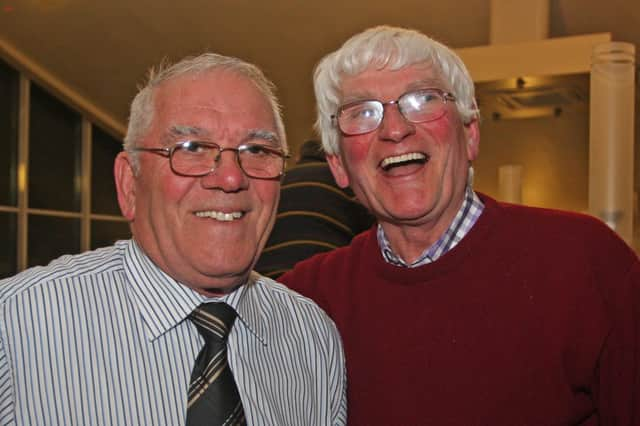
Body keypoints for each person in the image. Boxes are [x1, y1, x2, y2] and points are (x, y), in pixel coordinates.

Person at [279, 25, 640, 425]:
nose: (395, 129)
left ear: (470, 136)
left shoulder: (584, 262)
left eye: (423, 100)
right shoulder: (306, 303)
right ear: (338, 165)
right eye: (362, 112)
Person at [0, 53, 346, 425]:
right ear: (129, 184)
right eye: (192, 148)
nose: (230, 178)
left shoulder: (312, 339)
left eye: (257, 151)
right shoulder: (15, 327)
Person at [255, 139, 373, 278]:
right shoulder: (348, 183)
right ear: (337, 161)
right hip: (322, 283)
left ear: (300, 157)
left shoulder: (279, 183)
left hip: (266, 283)